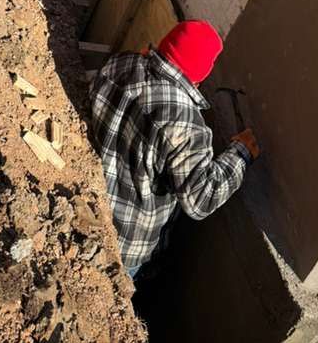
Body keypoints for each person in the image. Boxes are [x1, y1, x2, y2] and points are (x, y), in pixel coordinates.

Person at [89, 19, 260, 278]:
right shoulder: (188, 125)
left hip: (85, 206)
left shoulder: (121, 63)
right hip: (121, 246)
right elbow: (201, 200)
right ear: (200, 75)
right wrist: (240, 154)